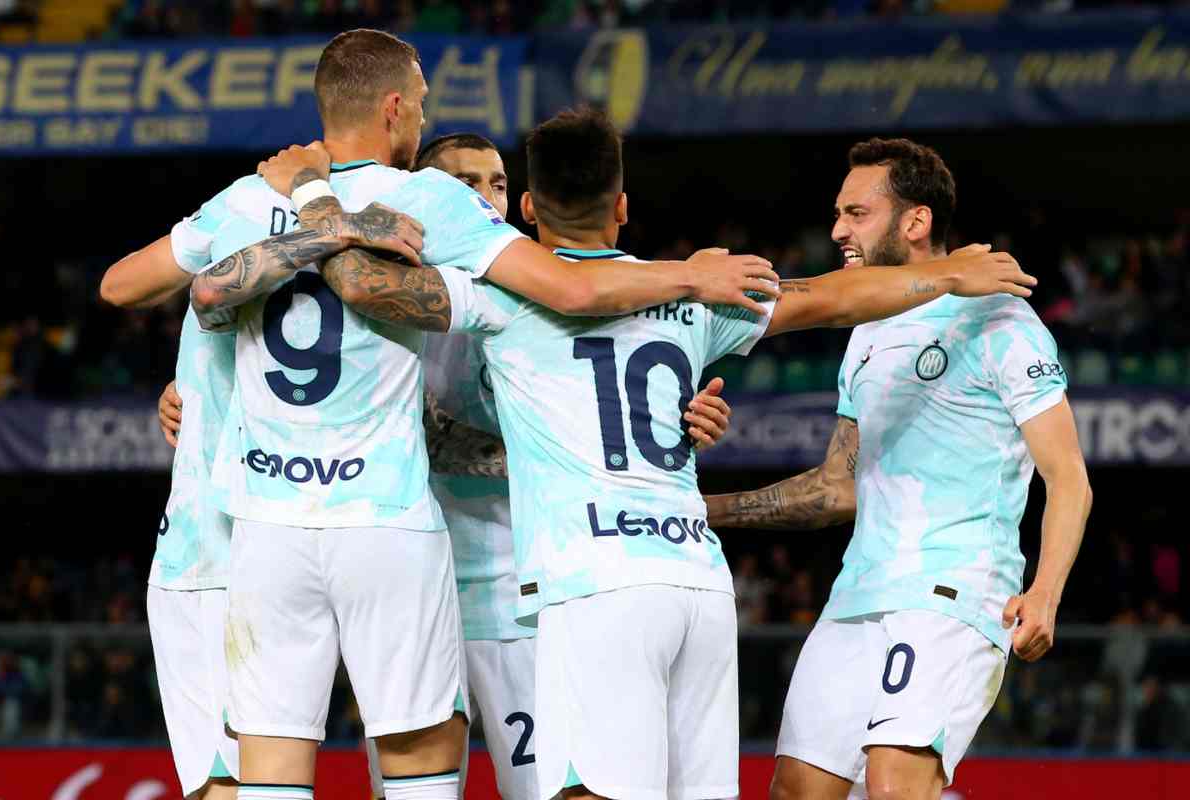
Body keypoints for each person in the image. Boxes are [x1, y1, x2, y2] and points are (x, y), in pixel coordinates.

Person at [254, 109, 1035, 800]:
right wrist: (947, 273)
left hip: (595, 585)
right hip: (697, 585)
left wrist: (312, 196)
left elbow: (359, 283)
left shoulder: (504, 298)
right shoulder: (698, 293)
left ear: (526, 209)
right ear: (622, 207)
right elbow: (829, 297)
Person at [184, 29, 778, 800]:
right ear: (397, 112)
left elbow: (190, 292)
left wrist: (663, 416)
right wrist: (690, 278)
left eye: (496, 182)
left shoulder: (258, 200)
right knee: (420, 761)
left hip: (429, 562)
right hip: (397, 534)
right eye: (424, 107)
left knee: (281, 757)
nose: (481, 196)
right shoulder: (439, 222)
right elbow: (573, 289)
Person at [703, 138, 1094, 800]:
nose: (837, 230)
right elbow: (836, 488)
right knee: (796, 790)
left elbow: (1069, 478)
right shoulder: (867, 330)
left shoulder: (1000, 316)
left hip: (952, 591)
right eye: (838, 213)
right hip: (857, 597)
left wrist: (1046, 591)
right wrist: (700, 510)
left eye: (856, 213)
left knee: (894, 786)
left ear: (916, 221)